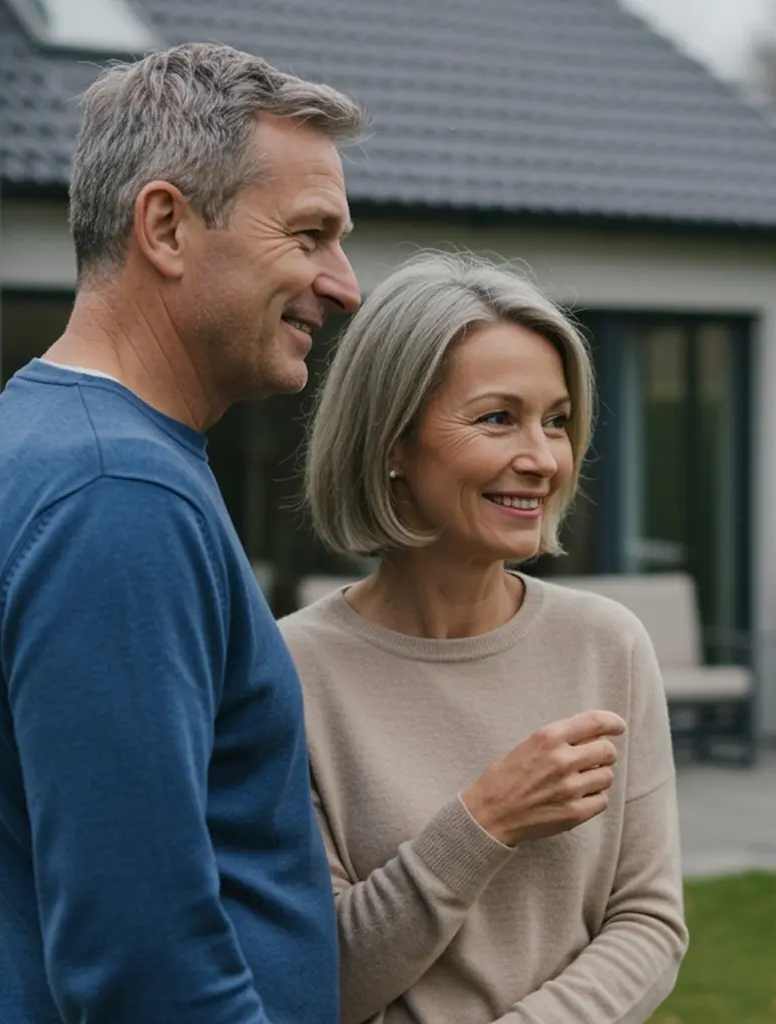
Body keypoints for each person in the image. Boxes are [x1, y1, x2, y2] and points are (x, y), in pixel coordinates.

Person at [0, 43, 362, 1023]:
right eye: (309, 235)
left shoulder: (35, 440)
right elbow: (143, 965)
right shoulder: (115, 490)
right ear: (167, 226)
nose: (343, 283)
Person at [279, 253, 689, 1024]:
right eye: (499, 417)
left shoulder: (608, 647)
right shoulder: (289, 672)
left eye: (557, 420)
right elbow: (320, 982)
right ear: (391, 442)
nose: (542, 459)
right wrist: (484, 821)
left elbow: (650, 924)